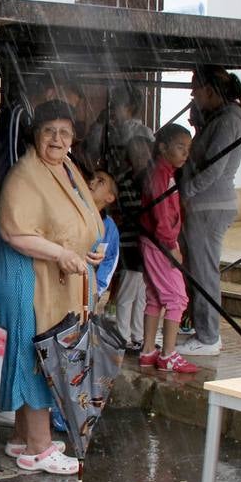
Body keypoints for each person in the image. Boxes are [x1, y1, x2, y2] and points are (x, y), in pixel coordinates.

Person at [0, 100, 105, 475]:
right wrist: (61, 253)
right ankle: (39, 449)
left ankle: (22, 437)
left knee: (42, 351)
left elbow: (75, 220)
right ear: (35, 135)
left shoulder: (66, 168)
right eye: (48, 131)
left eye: (64, 132)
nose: (57, 139)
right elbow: (16, 232)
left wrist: (84, 251)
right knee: (38, 353)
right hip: (27, 276)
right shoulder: (25, 175)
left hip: (56, 274)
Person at [177, 66, 241, 358]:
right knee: (197, 269)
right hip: (203, 203)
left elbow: (214, 168)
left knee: (204, 271)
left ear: (210, 91)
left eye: (196, 90)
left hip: (209, 204)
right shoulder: (219, 119)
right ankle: (199, 326)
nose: (193, 96)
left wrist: (186, 192)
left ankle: (209, 336)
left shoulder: (229, 122)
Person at [139, 124, 199, 374]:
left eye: (188, 148)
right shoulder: (161, 175)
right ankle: (168, 354)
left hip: (153, 241)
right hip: (159, 243)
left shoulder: (164, 172)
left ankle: (148, 350)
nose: (185, 153)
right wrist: (171, 245)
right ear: (163, 147)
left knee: (155, 296)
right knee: (177, 297)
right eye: (179, 147)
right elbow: (161, 214)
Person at [102, 83, 153, 353]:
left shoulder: (145, 180)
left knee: (141, 288)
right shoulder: (126, 179)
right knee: (130, 287)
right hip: (133, 239)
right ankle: (123, 334)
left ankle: (136, 332)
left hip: (142, 237)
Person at [89, 170, 120, 306]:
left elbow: (109, 260)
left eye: (100, 181)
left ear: (109, 197)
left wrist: (98, 289)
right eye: (91, 178)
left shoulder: (109, 228)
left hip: (88, 291)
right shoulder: (71, 211)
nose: (92, 181)